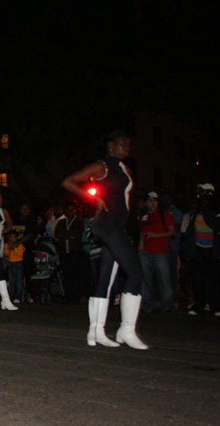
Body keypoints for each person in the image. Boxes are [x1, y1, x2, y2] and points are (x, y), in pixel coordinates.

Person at [61, 129, 147, 349]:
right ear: (110, 145)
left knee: (106, 279)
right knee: (136, 272)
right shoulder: (103, 166)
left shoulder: (125, 169)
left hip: (117, 227)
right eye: (122, 144)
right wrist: (96, 198)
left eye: (128, 144)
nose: (127, 147)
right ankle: (126, 330)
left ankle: (96, 332)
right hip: (106, 225)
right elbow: (69, 182)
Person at [181, 184, 220, 317]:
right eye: (202, 199)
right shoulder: (196, 213)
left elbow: (217, 226)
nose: (202, 201)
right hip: (198, 251)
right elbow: (190, 233)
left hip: (214, 252)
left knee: (214, 280)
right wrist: (187, 250)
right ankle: (199, 306)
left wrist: (207, 211)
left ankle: (216, 307)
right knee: (198, 281)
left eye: (206, 199)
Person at [138, 192, 176, 313]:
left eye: (155, 201)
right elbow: (141, 231)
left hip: (161, 251)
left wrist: (156, 235)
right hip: (146, 252)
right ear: (145, 203)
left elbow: (172, 231)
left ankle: (168, 307)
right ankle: (145, 306)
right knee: (144, 280)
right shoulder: (143, 216)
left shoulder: (164, 215)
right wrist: (141, 243)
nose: (153, 203)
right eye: (150, 201)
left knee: (164, 279)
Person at [54, 200, 85, 304]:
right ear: (65, 211)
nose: (70, 211)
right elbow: (57, 234)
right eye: (68, 209)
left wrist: (66, 234)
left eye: (72, 209)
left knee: (75, 273)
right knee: (66, 273)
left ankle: (76, 296)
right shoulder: (62, 222)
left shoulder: (79, 221)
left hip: (75, 251)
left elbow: (76, 234)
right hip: (64, 251)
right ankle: (67, 295)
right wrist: (68, 234)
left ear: (75, 210)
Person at [4, 230, 25, 303]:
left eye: (14, 237)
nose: (12, 239)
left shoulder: (20, 245)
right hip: (11, 264)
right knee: (11, 281)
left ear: (16, 238)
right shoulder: (7, 244)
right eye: (11, 237)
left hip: (18, 263)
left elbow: (20, 254)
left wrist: (14, 248)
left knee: (19, 281)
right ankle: (10, 297)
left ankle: (17, 297)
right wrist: (8, 248)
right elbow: (6, 254)